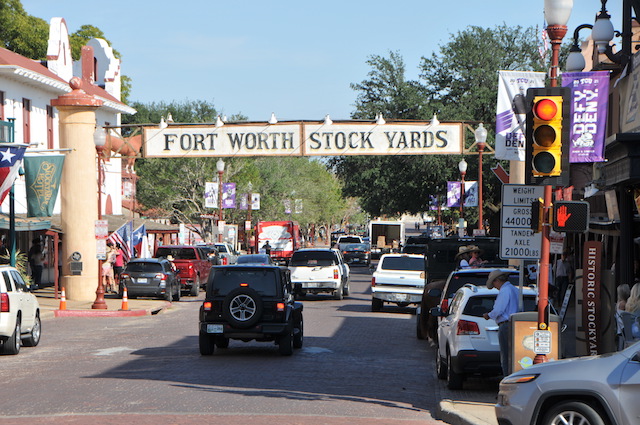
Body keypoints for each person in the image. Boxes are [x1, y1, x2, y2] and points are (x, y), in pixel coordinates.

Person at [483, 270, 520, 376]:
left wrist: (488, 315)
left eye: (494, 283)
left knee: (506, 356)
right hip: (515, 324)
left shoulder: (504, 291)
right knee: (514, 356)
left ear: (497, 280)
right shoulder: (514, 289)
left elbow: (498, 310)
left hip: (506, 324)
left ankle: (507, 379)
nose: (495, 287)